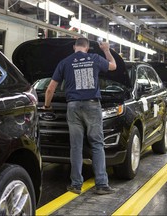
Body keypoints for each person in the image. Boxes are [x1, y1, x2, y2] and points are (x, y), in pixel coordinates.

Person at [43, 37, 117, 195]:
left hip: (73, 106)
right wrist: (105, 49)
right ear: (88, 48)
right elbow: (113, 66)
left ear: (74, 47)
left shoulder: (65, 62)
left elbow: (50, 89)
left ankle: (76, 185)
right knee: (97, 144)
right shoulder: (95, 58)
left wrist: (47, 106)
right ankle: (102, 185)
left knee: (76, 146)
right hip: (92, 105)